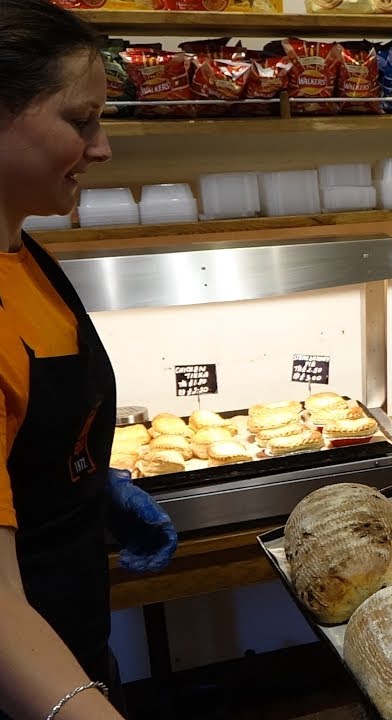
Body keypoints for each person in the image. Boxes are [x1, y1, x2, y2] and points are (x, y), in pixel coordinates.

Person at [1, 1, 176, 717]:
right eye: (81, 121)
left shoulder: (21, 253)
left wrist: (79, 484)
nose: (101, 148)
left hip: (72, 650)